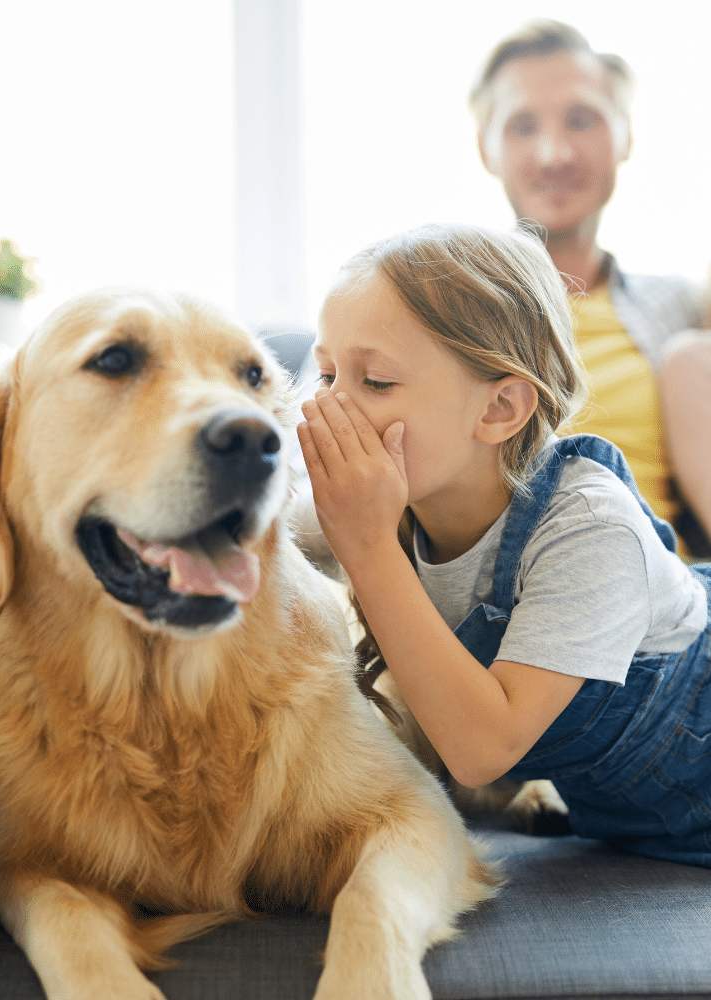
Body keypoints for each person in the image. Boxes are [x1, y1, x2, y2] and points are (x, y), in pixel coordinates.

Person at [298, 222, 711, 867]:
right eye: (326, 377)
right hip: (632, 818)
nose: (332, 411)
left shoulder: (590, 527)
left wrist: (367, 546)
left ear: (499, 410)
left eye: (375, 382)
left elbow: (481, 752)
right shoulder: (401, 508)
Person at [470, 19, 710, 555]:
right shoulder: (440, 305)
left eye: (582, 120)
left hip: (678, 601)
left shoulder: (681, 310)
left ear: (626, 137)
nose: (555, 153)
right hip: (518, 600)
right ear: (486, 150)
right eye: (522, 126)